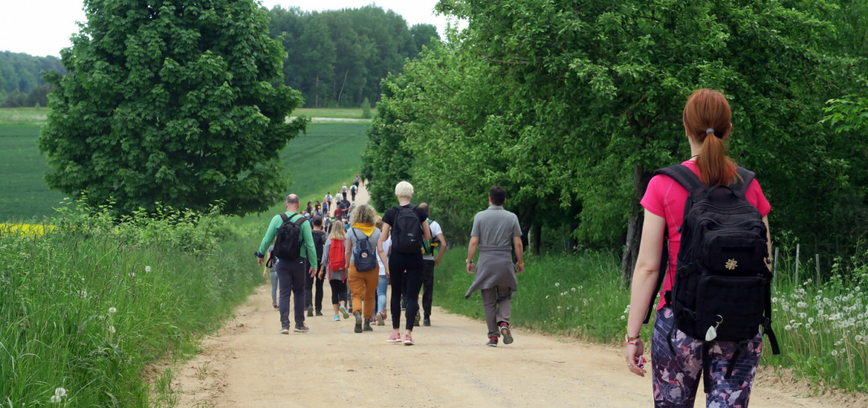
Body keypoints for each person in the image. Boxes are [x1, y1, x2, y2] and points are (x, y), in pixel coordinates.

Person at [624, 89, 773, 407]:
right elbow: (766, 263)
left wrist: (633, 335)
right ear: (728, 129)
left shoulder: (663, 184)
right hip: (740, 325)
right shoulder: (749, 185)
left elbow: (648, 267)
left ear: (685, 126)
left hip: (680, 324)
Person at [464, 186, 524, 347]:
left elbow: (474, 241)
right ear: (504, 200)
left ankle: (493, 337)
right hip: (504, 262)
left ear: (489, 199)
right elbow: (517, 242)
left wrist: (469, 260)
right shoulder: (512, 217)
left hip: (486, 263)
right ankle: (504, 322)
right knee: (505, 295)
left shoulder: (480, 217)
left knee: (488, 301)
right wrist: (520, 262)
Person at [377, 181, 431, 346]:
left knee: (396, 293)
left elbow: (384, 237)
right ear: (411, 194)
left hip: (397, 257)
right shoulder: (420, 212)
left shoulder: (391, 213)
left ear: (397, 194)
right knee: (412, 295)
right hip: (415, 256)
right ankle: (408, 334)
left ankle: (395, 332)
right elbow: (427, 236)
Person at [255, 194, 318, 334]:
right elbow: (310, 244)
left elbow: (267, 239)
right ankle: (299, 324)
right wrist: (314, 264)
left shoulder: (277, 219)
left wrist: (260, 254)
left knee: (283, 292)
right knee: (299, 292)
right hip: (299, 260)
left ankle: (284, 326)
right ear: (298, 204)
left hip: (282, 260)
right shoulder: (304, 221)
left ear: (286, 204)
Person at [346, 204, 381, 333]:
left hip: (355, 266)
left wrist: (346, 264)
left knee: (356, 294)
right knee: (370, 295)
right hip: (372, 267)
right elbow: (380, 250)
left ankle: (357, 314)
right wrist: (386, 266)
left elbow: (348, 251)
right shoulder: (376, 231)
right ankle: (367, 322)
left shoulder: (351, 231)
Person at [417, 203, 447, 327]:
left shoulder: (413, 223)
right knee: (428, 289)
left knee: (413, 288)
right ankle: (426, 317)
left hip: (415, 260)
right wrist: (438, 259)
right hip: (429, 261)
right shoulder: (434, 225)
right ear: (428, 212)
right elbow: (443, 244)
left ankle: (415, 313)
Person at [320, 220, 351, 321]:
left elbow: (325, 257)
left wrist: (321, 270)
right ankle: (342, 305)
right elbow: (348, 253)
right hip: (343, 270)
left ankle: (336, 314)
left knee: (334, 291)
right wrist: (348, 265)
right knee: (342, 289)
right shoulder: (345, 240)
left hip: (331, 270)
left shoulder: (329, 240)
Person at [305, 216, 327, 317]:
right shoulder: (324, 236)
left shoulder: (308, 235)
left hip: (309, 262)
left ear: (312, 223)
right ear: (322, 223)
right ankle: (318, 309)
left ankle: (309, 305)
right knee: (319, 286)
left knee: (308, 285)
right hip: (321, 262)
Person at [375, 219, 391, 326]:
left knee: (374, 293)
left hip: (372, 267)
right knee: (382, 293)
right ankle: (380, 311)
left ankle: (376, 313)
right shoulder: (388, 239)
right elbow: (389, 252)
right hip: (384, 267)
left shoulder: (373, 237)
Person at [262, 245, 278, 310]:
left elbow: (268, 260)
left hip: (273, 270)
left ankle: (275, 303)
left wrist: (265, 270)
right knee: (283, 289)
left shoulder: (271, 248)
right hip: (282, 270)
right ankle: (282, 303)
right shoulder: (284, 246)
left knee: (274, 288)